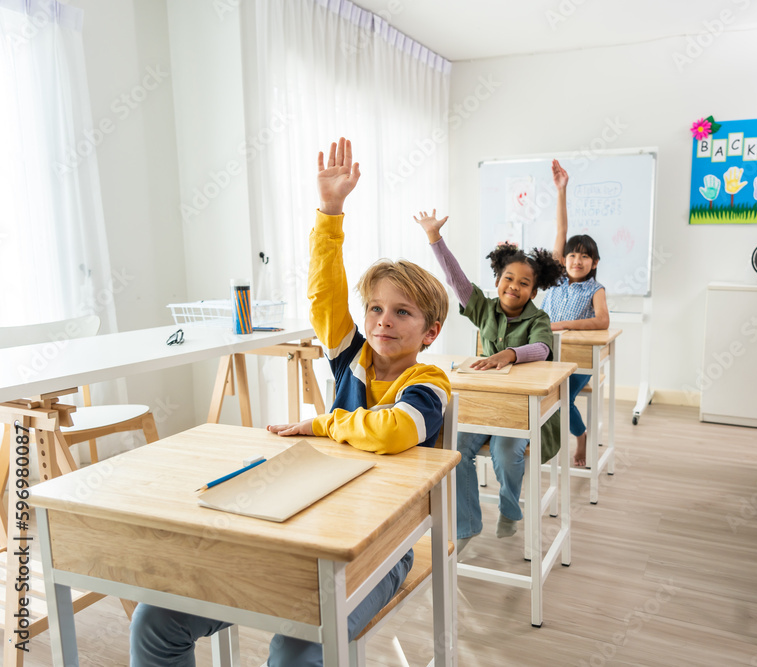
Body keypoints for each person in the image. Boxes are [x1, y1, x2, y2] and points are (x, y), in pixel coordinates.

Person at [130, 137, 452, 666]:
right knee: (154, 620)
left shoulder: (430, 380)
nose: (382, 321)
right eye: (374, 308)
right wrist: (330, 212)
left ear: (431, 331)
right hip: (306, 525)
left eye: (402, 312)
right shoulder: (351, 356)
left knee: (297, 644)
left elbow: (396, 430)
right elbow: (325, 296)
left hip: (380, 548)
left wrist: (325, 424)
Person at [416, 209, 563, 549]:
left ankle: (510, 509)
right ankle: (466, 525)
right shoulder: (484, 308)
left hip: (523, 411)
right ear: (498, 280)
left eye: (524, 283)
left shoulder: (538, 317)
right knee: (453, 448)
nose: (515, 286)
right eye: (509, 278)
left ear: (534, 291)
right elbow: (456, 281)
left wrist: (509, 354)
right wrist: (434, 239)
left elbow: (542, 348)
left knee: (505, 450)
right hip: (484, 406)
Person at [542, 159, 610, 467]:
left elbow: (602, 321)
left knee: (563, 398)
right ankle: (540, 440)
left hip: (577, 360)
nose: (577, 261)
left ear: (594, 263)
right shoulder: (555, 277)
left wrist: (561, 326)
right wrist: (561, 190)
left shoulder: (595, 290)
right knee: (540, 394)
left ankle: (581, 436)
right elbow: (562, 228)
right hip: (547, 354)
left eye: (585, 257)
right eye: (572, 255)